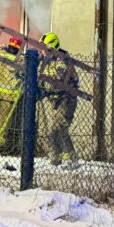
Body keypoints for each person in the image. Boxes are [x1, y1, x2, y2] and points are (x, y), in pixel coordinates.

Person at [39, 32, 78, 167]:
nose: (42, 50)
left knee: (58, 128)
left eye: (44, 47)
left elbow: (58, 81)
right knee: (58, 129)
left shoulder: (62, 61)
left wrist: (43, 87)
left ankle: (64, 159)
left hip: (65, 99)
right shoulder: (48, 60)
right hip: (55, 100)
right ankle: (65, 158)